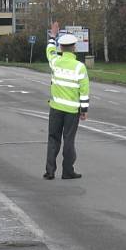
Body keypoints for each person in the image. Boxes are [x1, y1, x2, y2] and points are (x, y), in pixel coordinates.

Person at [44, 21, 89, 180]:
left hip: (56, 108)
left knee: (53, 138)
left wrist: (53, 36)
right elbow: (84, 92)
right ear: (75, 48)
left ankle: (50, 171)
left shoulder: (55, 62)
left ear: (61, 48)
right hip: (72, 111)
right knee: (68, 140)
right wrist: (84, 111)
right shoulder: (79, 67)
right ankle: (67, 171)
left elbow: (49, 50)